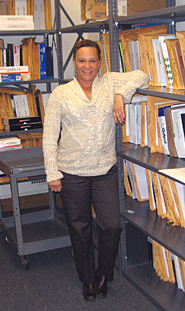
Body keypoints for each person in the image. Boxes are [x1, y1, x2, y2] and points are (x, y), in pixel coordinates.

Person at [42, 39, 149, 301]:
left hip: (104, 169)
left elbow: (143, 76)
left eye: (92, 60)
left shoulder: (109, 82)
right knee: (79, 228)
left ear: (99, 63)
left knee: (112, 226)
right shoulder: (61, 94)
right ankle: (87, 279)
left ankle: (103, 273)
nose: (87, 66)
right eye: (82, 61)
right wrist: (52, 173)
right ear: (74, 64)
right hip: (71, 171)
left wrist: (119, 95)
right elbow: (49, 135)